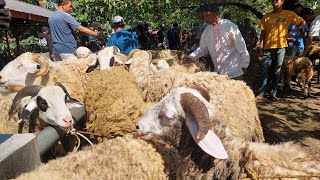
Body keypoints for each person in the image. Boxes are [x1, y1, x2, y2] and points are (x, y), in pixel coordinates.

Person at [256, 0, 306, 101]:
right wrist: (261, 48)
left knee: (277, 70)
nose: (274, 3)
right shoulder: (266, 16)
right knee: (264, 70)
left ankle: (273, 94)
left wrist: (291, 33)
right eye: (272, 1)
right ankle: (260, 93)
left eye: (277, 1)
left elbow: (302, 22)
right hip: (267, 47)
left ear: (282, 1)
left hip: (281, 47)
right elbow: (262, 34)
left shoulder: (288, 14)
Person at [187, 3, 250, 80]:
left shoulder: (229, 26)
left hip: (234, 72)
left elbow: (241, 46)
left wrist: (244, 65)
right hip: (219, 74)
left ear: (216, 14)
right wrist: (191, 57)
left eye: (208, 15)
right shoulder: (207, 31)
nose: (205, 19)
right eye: (204, 17)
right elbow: (203, 48)